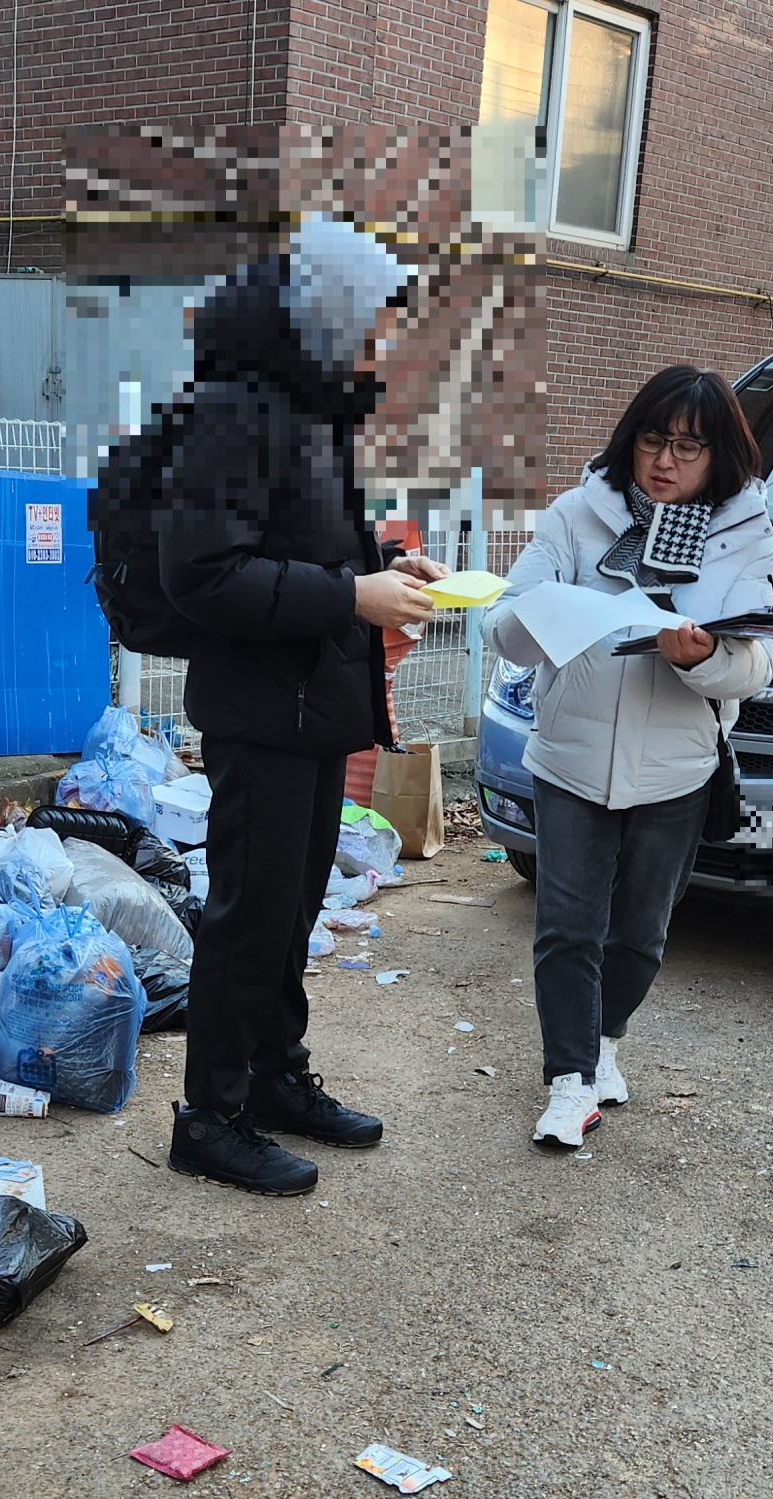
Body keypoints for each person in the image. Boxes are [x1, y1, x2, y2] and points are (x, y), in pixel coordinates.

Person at [155, 215, 447, 1195]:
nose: (378, 349)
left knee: (288, 916)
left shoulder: (307, 418)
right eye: (367, 327)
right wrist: (349, 597)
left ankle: (275, 1079)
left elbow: (302, 551)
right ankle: (211, 1115)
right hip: (259, 713)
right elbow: (203, 574)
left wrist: (382, 568)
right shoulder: (231, 413)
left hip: (312, 710)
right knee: (247, 921)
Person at [485, 366, 773, 1149]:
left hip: (677, 768)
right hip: (570, 759)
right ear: (631, 439)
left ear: (719, 458)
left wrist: (697, 657)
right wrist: (548, 617)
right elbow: (506, 626)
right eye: (654, 440)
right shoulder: (574, 518)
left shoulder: (746, 539)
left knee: (641, 933)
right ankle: (567, 1081)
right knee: (566, 928)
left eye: (689, 447)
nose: (665, 461)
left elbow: (757, 666)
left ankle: (606, 1040)